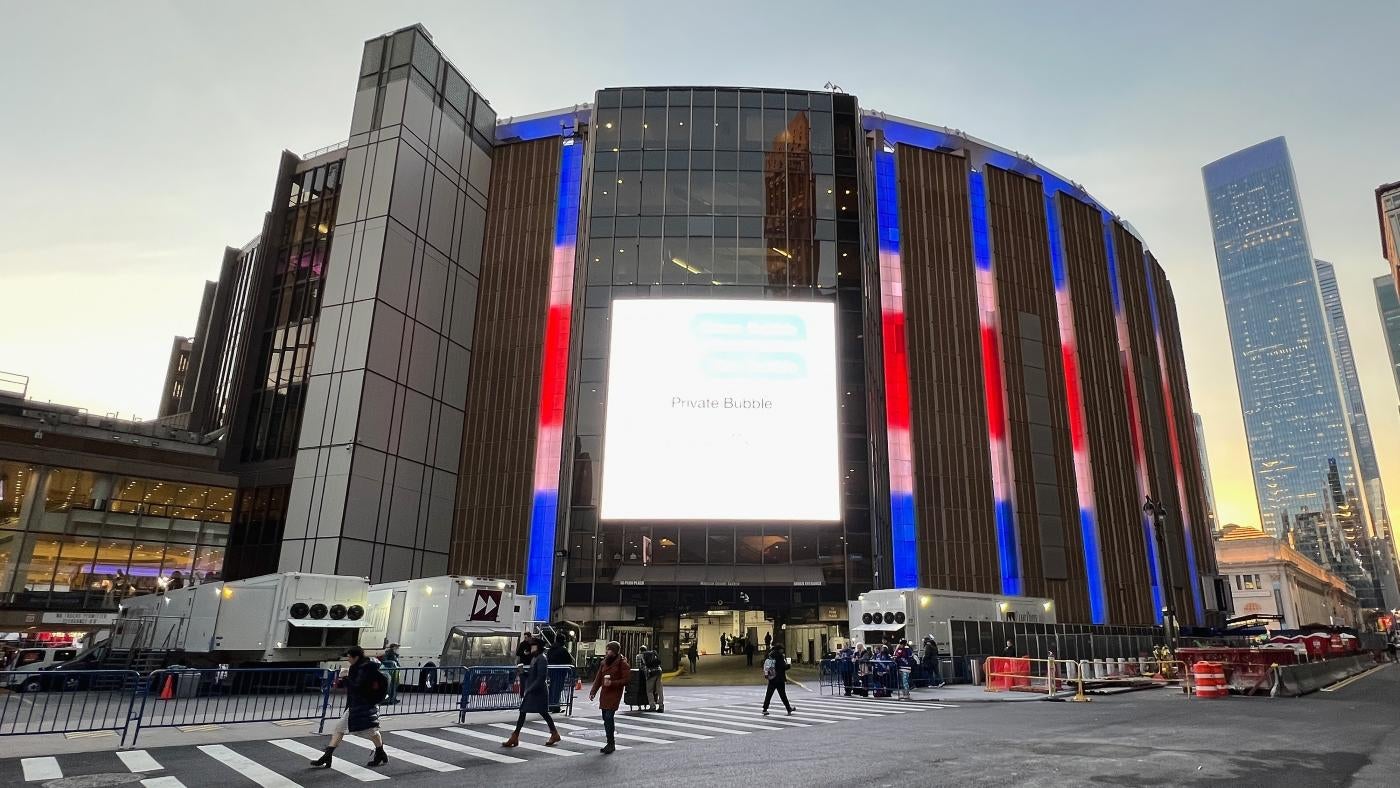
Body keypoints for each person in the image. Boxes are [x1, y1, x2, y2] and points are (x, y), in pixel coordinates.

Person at [311, 646, 389, 769]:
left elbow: (358, 686)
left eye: (349, 656)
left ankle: (380, 753)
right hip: (357, 704)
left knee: (371, 731)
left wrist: (345, 676)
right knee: (340, 728)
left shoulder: (363, 669)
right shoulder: (363, 666)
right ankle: (327, 756)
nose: (347, 659)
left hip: (362, 705)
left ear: (356, 657)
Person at [501, 638, 561, 748]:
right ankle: (516, 736)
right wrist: (523, 672)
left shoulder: (542, 659)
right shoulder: (536, 658)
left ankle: (515, 736)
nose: (532, 648)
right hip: (535, 690)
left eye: (534, 646)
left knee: (538, 712)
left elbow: (541, 678)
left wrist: (529, 689)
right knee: (529, 712)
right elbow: (534, 674)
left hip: (538, 691)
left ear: (539, 647)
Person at [589, 640, 630, 755]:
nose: (607, 652)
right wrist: (593, 691)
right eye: (607, 649)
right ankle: (609, 742)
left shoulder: (622, 663)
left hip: (614, 693)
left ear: (615, 651)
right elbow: (598, 679)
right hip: (605, 693)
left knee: (608, 716)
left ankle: (611, 743)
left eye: (610, 650)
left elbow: (626, 680)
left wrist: (612, 683)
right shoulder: (604, 663)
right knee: (605, 717)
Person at [761, 644, 795, 716]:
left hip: (772, 678)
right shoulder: (779, 656)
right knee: (783, 695)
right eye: (782, 649)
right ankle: (788, 709)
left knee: (769, 694)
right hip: (779, 679)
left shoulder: (770, 655)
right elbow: (782, 667)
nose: (783, 650)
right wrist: (788, 665)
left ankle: (765, 709)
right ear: (779, 649)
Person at [546, 636, 574, 713]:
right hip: (560, 672)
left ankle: (550, 705)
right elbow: (569, 660)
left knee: (552, 688)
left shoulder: (551, 649)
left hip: (551, 671)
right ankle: (555, 706)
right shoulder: (562, 650)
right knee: (557, 689)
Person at [640, 644, 664, 712]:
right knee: (659, 690)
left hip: (651, 673)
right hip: (659, 671)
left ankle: (652, 706)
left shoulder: (642, 655)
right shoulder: (653, 653)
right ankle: (661, 706)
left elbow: (642, 665)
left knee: (649, 690)